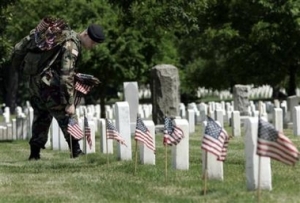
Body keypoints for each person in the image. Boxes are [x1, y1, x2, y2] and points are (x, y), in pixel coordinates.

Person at [15, 19, 105, 160]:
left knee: (41, 118)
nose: (92, 46)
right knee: (68, 116)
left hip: (35, 84)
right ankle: (76, 152)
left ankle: (34, 154)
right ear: (86, 34)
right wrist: (69, 102)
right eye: (92, 42)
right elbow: (66, 75)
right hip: (49, 87)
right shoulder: (72, 45)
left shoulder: (64, 37)